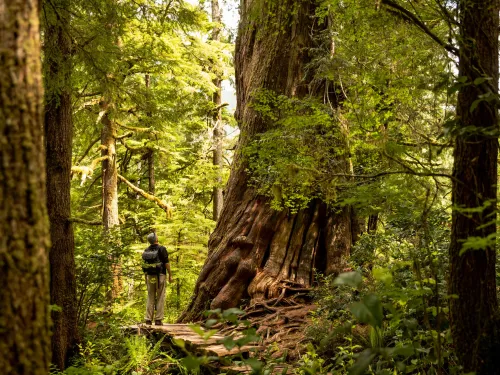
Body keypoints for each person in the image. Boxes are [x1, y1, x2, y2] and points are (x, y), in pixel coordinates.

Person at [142, 232, 172, 326]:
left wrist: (145, 277)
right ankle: (158, 320)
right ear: (156, 239)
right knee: (160, 297)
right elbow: (166, 263)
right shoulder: (162, 249)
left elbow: (145, 265)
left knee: (150, 296)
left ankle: (148, 319)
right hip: (160, 276)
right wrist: (170, 274)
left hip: (150, 276)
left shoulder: (146, 250)